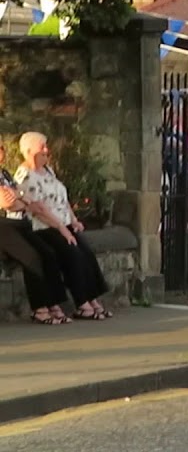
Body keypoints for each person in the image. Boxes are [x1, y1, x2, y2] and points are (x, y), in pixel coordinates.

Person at [13, 132, 112, 321]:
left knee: (86, 253)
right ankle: (82, 302)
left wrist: (73, 220)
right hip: (43, 226)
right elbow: (37, 209)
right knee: (71, 252)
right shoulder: (25, 175)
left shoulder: (48, 170)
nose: (46, 150)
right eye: (41, 147)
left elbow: (62, 198)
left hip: (63, 222)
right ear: (28, 151)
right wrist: (62, 228)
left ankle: (93, 300)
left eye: (46, 146)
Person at [0, 145, 70, 325]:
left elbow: (23, 200)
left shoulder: (5, 175)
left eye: (1, 150)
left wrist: (18, 199)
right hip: (3, 227)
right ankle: (39, 309)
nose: (1, 154)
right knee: (31, 257)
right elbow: (8, 203)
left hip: (18, 223)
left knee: (48, 253)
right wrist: (18, 200)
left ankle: (54, 303)